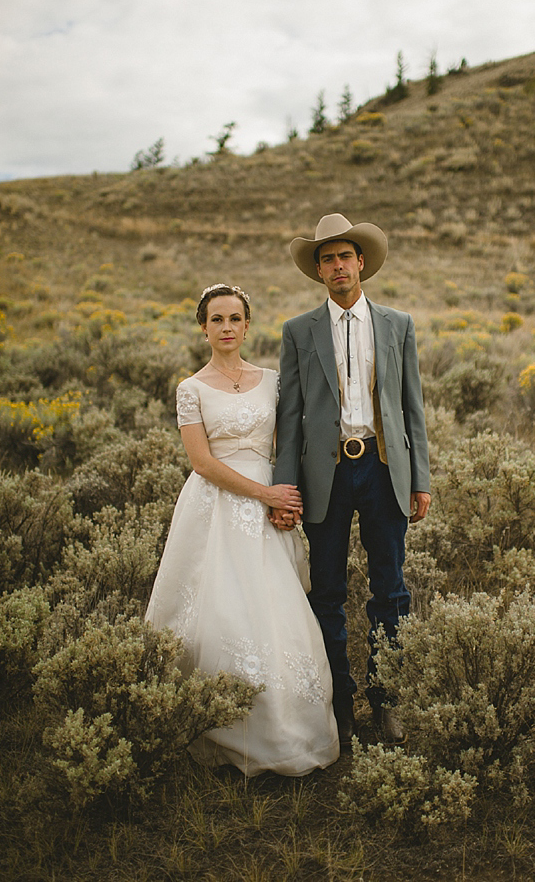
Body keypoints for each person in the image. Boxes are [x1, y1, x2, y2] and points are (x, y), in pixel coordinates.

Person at [145, 283, 339, 777]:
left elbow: (287, 442)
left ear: (247, 325)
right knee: (219, 607)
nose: (226, 328)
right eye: (217, 320)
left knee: (278, 608)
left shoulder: (271, 380)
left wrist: (286, 495)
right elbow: (202, 462)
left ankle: (286, 728)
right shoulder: (191, 389)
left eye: (235, 319)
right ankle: (214, 723)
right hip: (216, 507)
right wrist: (264, 495)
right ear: (203, 327)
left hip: (270, 502)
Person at [271, 214, 431, 747]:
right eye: (327, 259)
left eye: (345, 256)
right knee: (328, 592)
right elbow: (288, 417)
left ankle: (388, 699)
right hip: (327, 474)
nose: (337, 266)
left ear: (361, 262)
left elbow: (412, 407)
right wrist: (285, 487)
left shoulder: (397, 324)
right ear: (318, 270)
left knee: (391, 590)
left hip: (386, 469)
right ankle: (339, 705)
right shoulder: (298, 332)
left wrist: (420, 478)